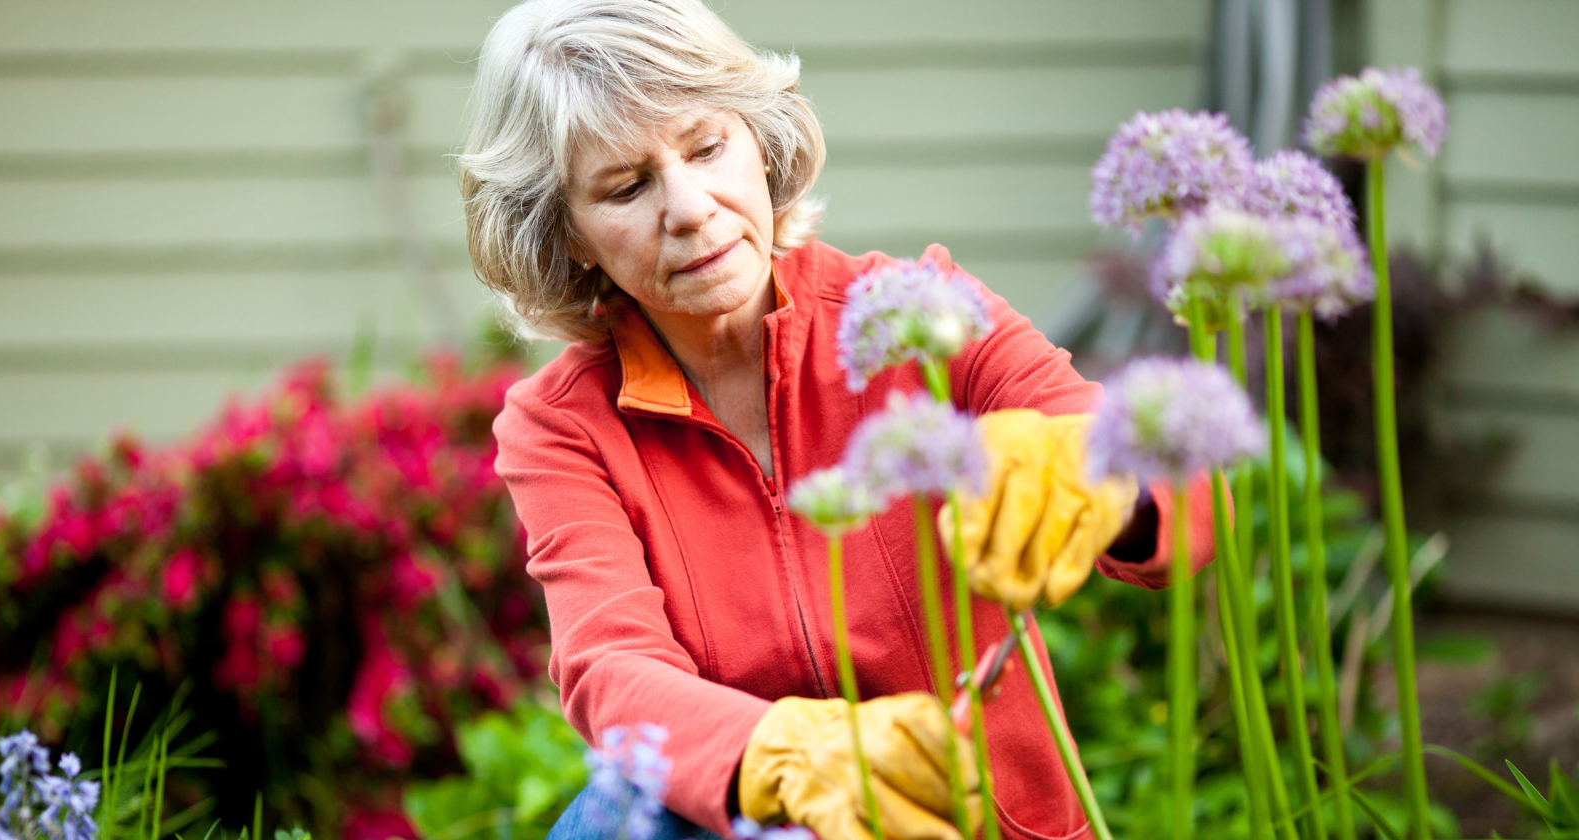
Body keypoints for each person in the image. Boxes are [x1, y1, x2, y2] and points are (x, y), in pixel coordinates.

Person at [461, 1, 1221, 838]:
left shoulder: (918, 311)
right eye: (626, 188)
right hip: (768, 821)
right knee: (610, 816)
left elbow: (1176, 477)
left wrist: (1103, 482)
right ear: (570, 235)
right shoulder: (563, 427)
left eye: (707, 148)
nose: (690, 207)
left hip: (975, 821)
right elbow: (612, 669)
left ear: (758, 141)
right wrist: (786, 754)